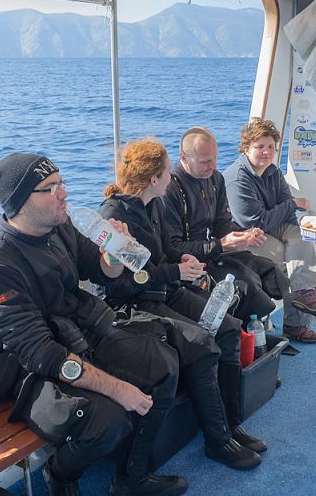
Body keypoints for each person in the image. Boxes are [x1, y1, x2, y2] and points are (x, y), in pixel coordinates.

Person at [0, 153, 187, 496]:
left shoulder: (60, 226)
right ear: (20, 202)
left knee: (162, 364)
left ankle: (132, 476)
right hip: (25, 368)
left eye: (61, 183)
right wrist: (117, 388)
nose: (64, 194)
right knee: (108, 421)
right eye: (50, 188)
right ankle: (61, 474)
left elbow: (102, 273)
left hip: (76, 333)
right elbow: (42, 354)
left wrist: (114, 252)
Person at [98, 138, 266, 468]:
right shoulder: (116, 215)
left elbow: (165, 250)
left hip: (165, 290)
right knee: (203, 345)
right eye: (166, 173)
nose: (171, 177)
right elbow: (120, 282)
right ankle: (218, 441)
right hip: (136, 304)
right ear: (154, 178)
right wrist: (175, 270)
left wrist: (183, 259)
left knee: (229, 329)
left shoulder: (154, 205)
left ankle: (231, 425)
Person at [164, 126, 299, 325]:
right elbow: (173, 247)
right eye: (205, 161)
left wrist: (245, 235)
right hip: (189, 263)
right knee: (248, 283)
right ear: (184, 158)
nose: (213, 166)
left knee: (270, 271)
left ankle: (282, 325)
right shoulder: (170, 189)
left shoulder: (215, 179)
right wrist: (221, 245)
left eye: (215, 158)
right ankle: (245, 330)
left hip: (213, 252)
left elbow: (223, 226)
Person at [223, 117, 316, 344]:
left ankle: (305, 294)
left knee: (304, 236)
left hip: (268, 226)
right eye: (260, 146)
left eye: (271, 147)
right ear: (246, 148)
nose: (266, 152)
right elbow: (255, 221)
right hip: (245, 235)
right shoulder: (237, 178)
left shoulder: (272, 171)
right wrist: (292, 204)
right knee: (290, 260)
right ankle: (296, 323)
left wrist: (308, 224)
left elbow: (287, 212)